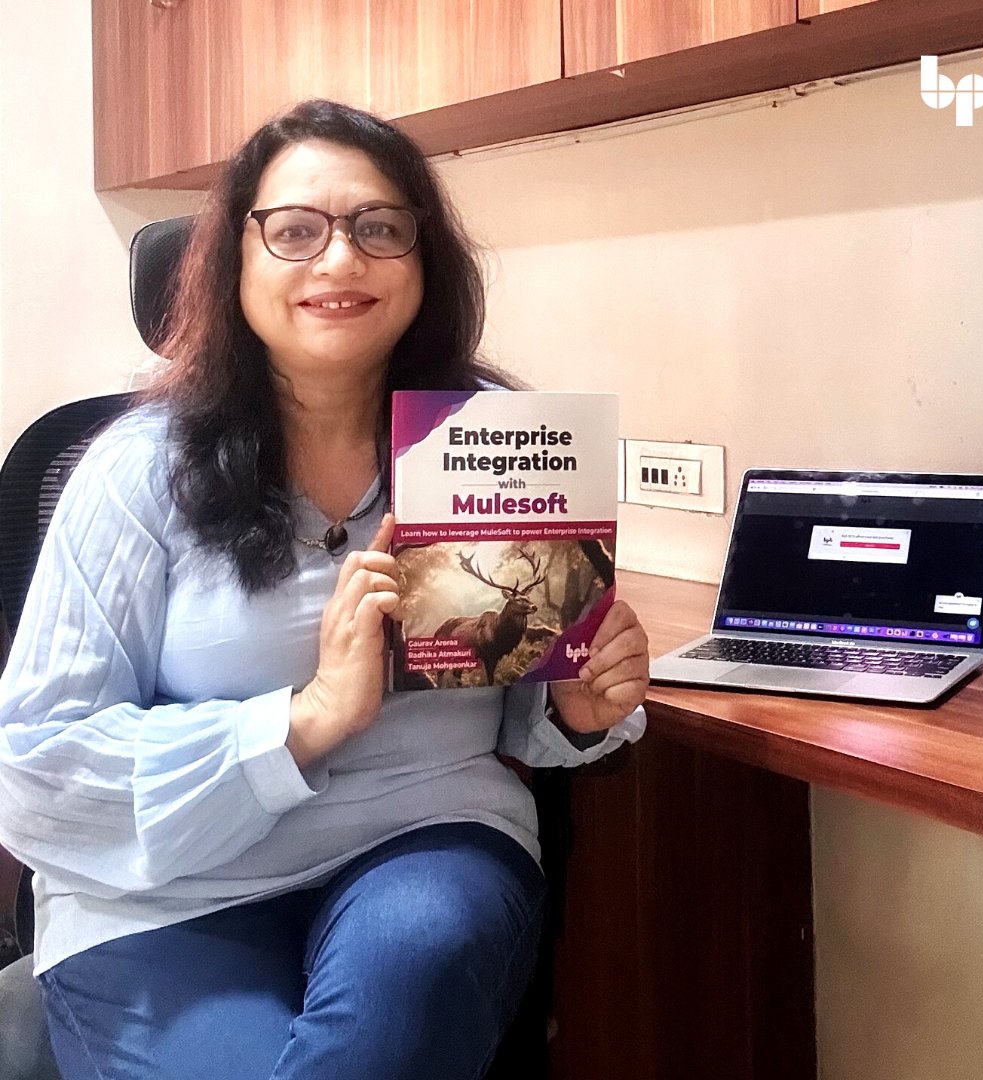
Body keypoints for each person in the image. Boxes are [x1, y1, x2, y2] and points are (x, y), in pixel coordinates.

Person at [0, 100, 648, 1079]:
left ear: (425, 263)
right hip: (165, 889)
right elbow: (37, 767)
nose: (340, 262)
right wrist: (301, 723)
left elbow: (521, 701)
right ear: (237, 264)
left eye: (379, 228)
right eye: (296, 230)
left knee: (407, 982)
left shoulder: (492, 442)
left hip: (423, 838)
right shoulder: (136, 470)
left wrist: (582, 706)